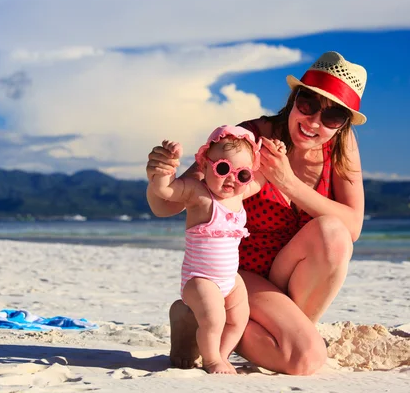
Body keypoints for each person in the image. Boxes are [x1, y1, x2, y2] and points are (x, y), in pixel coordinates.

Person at [146, 51, 367, 375]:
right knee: (305, 359)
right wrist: (159, 175)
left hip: (288, 275)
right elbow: (167, 204)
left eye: (333, 116)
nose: (315, 122)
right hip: (241, 276)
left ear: (344, 123)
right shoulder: (248, 141)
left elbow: (353, 226)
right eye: (308, 103)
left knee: (334, 235)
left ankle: (205, 323)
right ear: (294, 98)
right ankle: (219, 321)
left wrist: (288, 183)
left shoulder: (340, 147)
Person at [149, 125, 284, 374]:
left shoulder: (239, 197)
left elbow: (264, 176)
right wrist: (165, 169)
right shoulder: (196, 193)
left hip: (229, 279)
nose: (232, 178)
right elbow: (165, 190)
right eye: (223, 168)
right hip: (200, 279)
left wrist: (274, 153)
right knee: (215, 319)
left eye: (242, 174)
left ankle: (221, 355)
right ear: (204, 165)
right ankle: (211, 360)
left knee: (239, 317)